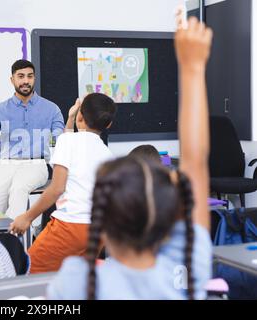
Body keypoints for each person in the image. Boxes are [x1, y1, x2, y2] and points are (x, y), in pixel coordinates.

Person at [47, 16, 213, 299]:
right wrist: (192, 67)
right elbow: (195, 163)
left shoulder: (77, 281)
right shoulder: (188, 265)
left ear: (103, 226)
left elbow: (194, 164)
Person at [10, 93, 117, 273]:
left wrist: (27, 217)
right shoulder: (107, 155)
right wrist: (71, 119)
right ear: (108, 124)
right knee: (75, 280)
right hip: (98, 231)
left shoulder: (67, 141)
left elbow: (57, 188)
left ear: (80, 116)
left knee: (28, 271)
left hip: (70, 227)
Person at [0, 59, 64, 218]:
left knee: (18, 189)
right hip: (6, 165)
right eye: (21, 76)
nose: (25, 81)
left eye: (30, 76)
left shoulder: (51, 109)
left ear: (34, 78)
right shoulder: (0, 110)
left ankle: (15, 238)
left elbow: (62, 139)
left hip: (37, 164)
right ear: (12, 80)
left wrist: (69, 121)